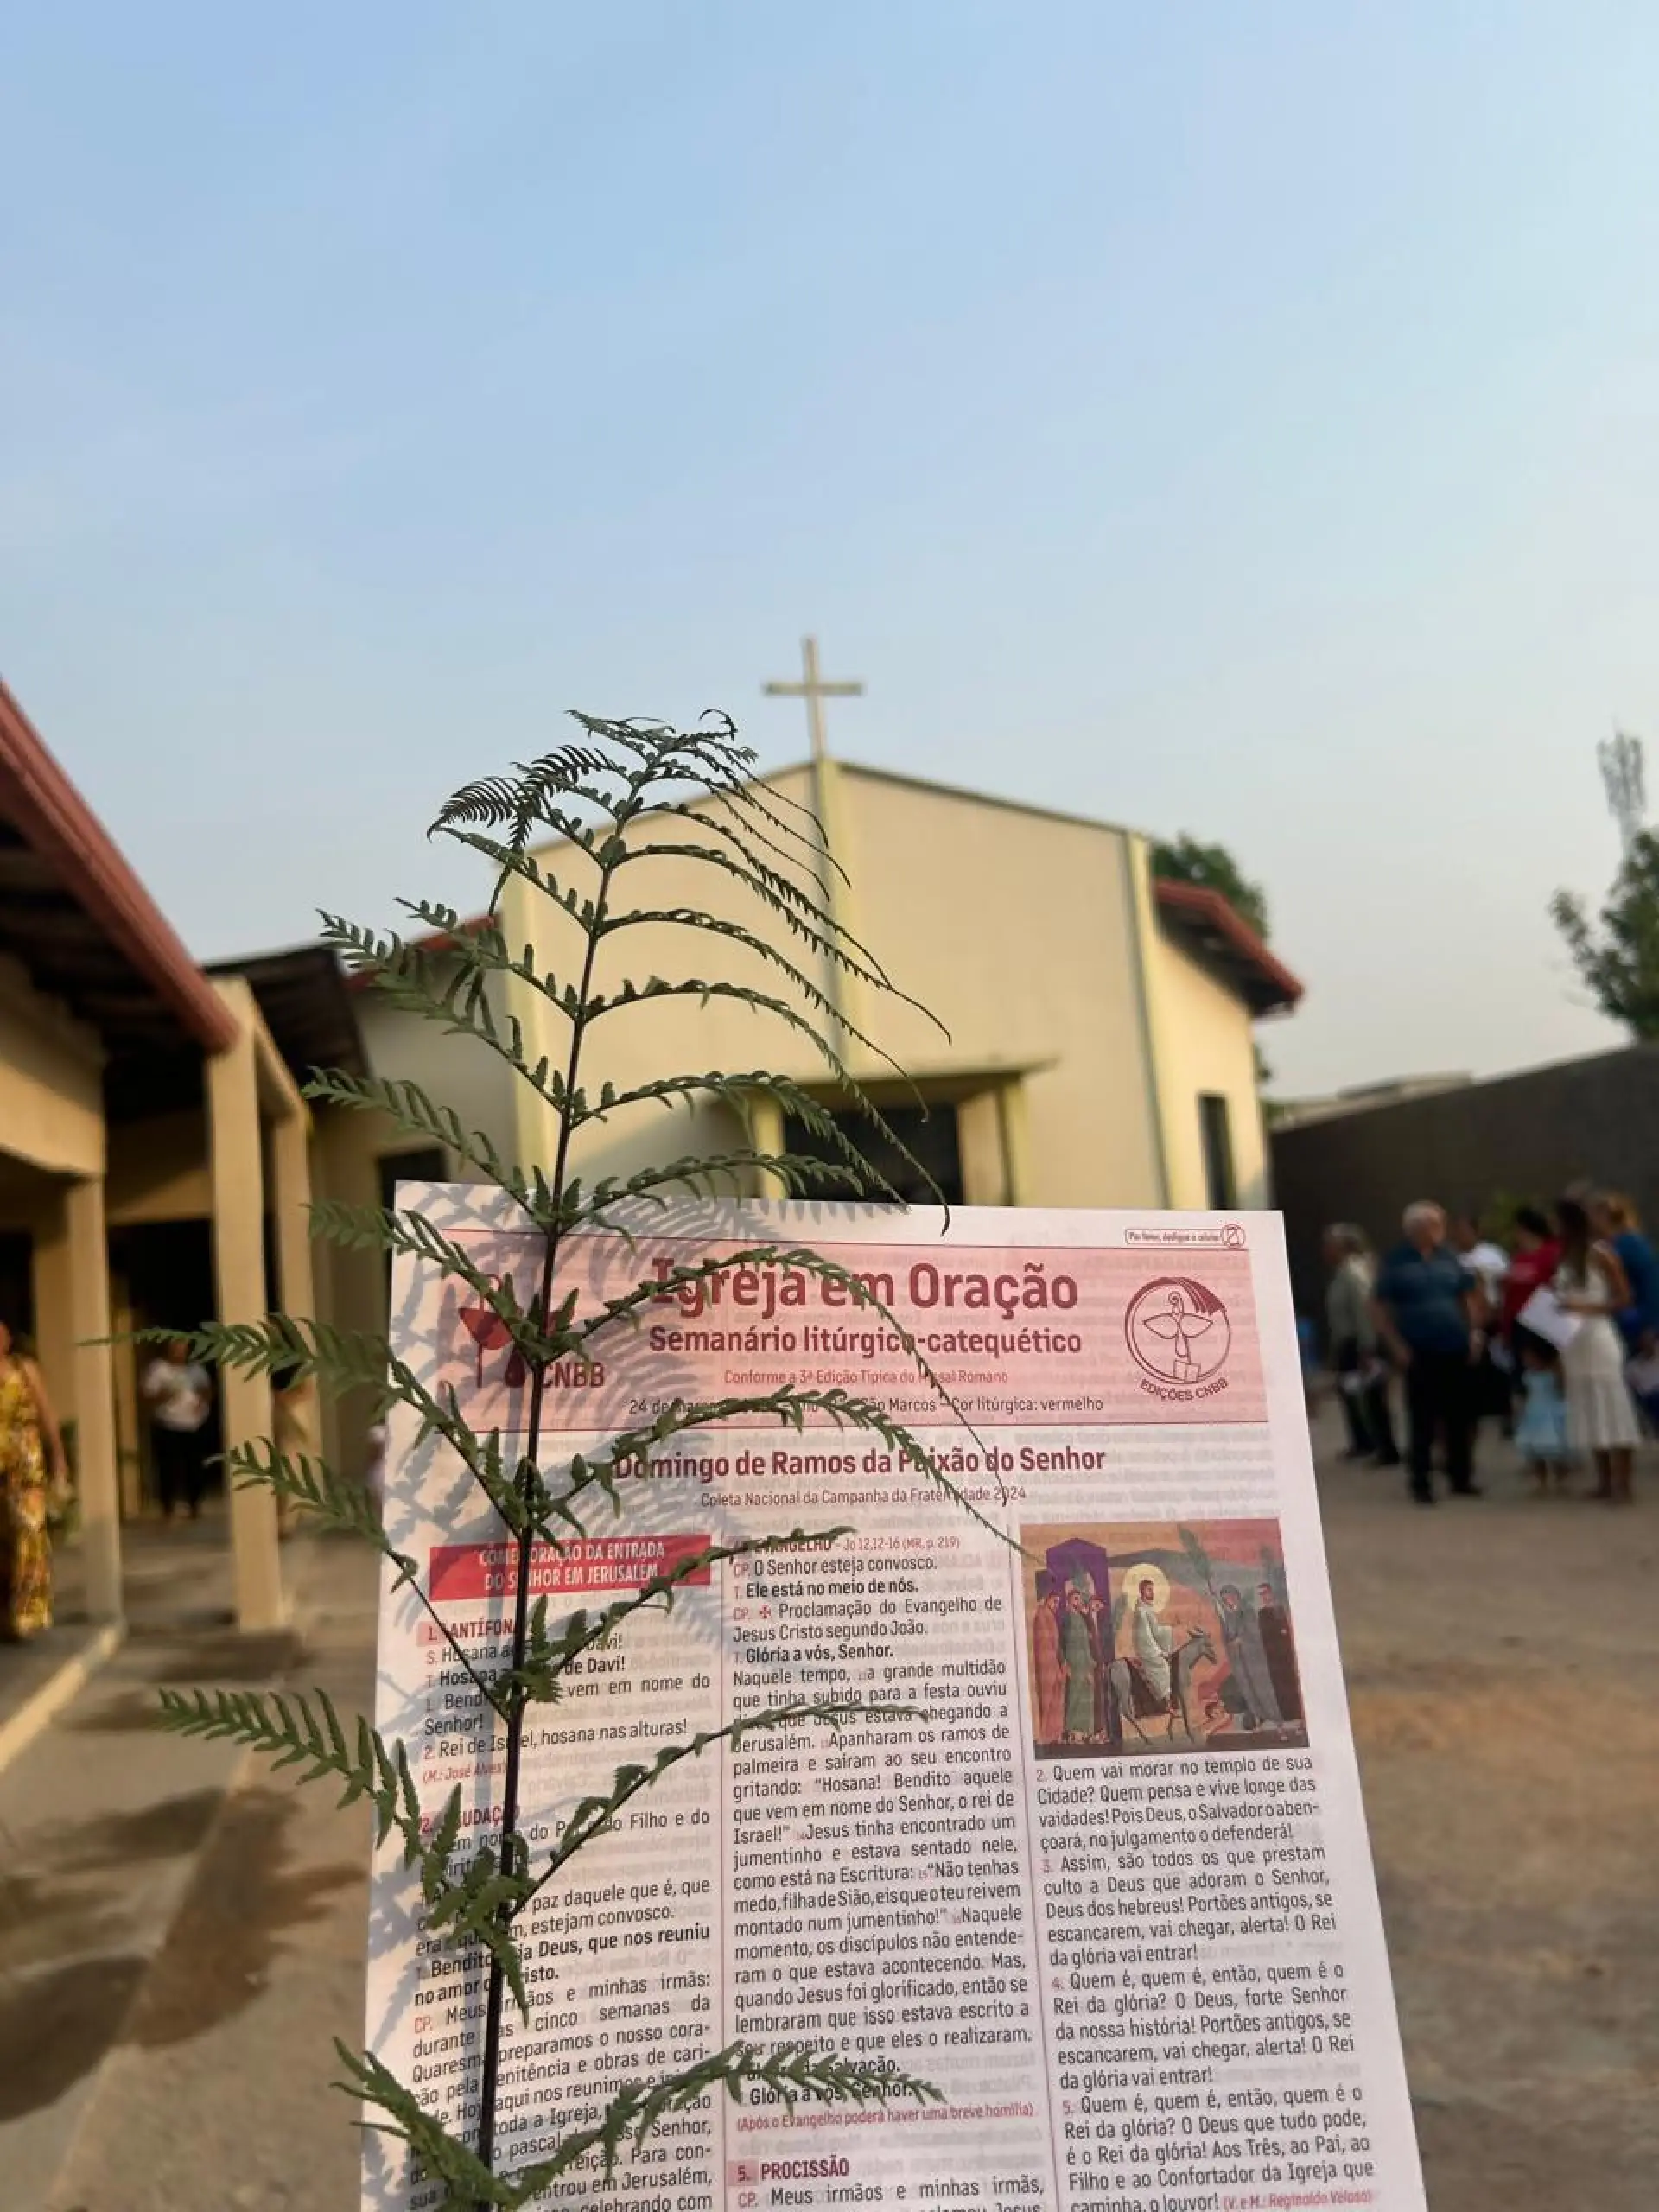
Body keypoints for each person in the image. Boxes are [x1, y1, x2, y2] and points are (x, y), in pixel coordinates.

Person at [1370, 1201, 1484, 1503]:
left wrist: (1474, 1332)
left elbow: (1467, 1296)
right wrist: (1395, 1346)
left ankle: (1461, 1477)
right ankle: (1421, 1481)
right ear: (1415, 1229)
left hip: (1454, 1344)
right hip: (1418, 1349)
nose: (1440, 1231)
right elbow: (1379, 1307)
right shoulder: (1396, 1262)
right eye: (1434, 1225)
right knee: (1422, 1417)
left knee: (1459, 1415)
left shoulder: (1450, 1258)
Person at [1553, 1196, 1640, 1503]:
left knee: (1612, 1406)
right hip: (1573, 1338)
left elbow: (1624, 1298)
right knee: (1589, 1407)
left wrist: (1586, 1307)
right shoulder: (1565, 1257)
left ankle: (1624, 1483)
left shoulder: (1602, 1254)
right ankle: (1603, 1480)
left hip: (1598, 1334)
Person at [0, 1321, 70, 1638]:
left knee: (29, 1532)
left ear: (8, 1338)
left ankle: (26, 1613)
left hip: (25, 1464)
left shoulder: (24, 1369)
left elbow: (46, 1414)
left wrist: (58, 1456)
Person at [1323, 1225, 1398, 1463]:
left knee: (1372, 1397)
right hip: (1346, 1343)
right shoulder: (1342, 1273)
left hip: (1359, 1343)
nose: (1325, 1251)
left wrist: (1368, 1347)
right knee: (1350, 1395)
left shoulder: (1353, 1274)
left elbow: (1363, 1311)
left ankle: (1385, 1448)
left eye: (1330, 1246)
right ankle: (1362, 1442)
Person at [141, 1337, 213, 1519]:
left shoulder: (196, 1369)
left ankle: (194, 1505)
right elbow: (147, 1396)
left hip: (192, 1424)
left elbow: (207, 1390)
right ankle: (168, 1507)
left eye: (183, 1348)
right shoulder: (158, 1369)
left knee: (194, 1466)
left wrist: (201, 1402)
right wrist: (163, 1395)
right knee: (167, 1467)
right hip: (167, 1423)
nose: (179, 1351)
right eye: (176, 1348)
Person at [1593, 1192, 1659, 1359]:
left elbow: (1651, 1285)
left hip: (1636, 1323)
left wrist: (1650, 1326)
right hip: (1619, 1322)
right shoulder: (1609, 1245)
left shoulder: (1630, 1245)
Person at [1501, 1206, 1562, 1363]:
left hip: (1543, 1327)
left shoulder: (1552, 1253)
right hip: (1518, 1325)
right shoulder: (1519, 1257)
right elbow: (1510, 1295)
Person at [1217, 1584, 1281, 1730]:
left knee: (1262, 1688)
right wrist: (1230, 1644)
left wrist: (1240, 1640)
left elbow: (1254, 1632)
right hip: (1239, 1660)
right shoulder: (1228, 1616)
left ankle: (1276, 1720)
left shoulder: (1247, 1611)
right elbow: (1225, 1638)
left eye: (1229, 1596)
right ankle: (1258, 1718)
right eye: (1225, 1598)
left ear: (1236, 1596)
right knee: (1248, 1691)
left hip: (1253, 1658)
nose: (1228, 1600)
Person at [1513, 1338, 1571, 1495]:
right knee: (1535, 1452)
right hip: (1533, 1414)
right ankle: (1541, 1480)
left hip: (1552, 1412)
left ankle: (1561, 1478)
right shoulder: (1529, 1374)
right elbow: (1525, 1394)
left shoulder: (1553, 1372)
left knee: (1557, 1450)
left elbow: (1563, 1389)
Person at [1255, 1580, 1302, 1725]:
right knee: (1278, 1684)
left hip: (1284, 1652)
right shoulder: (1261, 1613)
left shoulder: (1279, 1609)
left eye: (1265, 1593)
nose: (1264, 1596)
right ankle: (1284, 1715)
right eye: (1260, 1594)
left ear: (1271, 1593)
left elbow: (1285, 1630)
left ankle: (1296, 1714)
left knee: (1289, 1682)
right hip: (1271, 1654)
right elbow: (1264, 1634)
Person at [1129, 1575, 1175, 1711]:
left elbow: (1155, 1630)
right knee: (1163, 1667)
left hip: (1151, 1646)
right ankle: (1165, 1704)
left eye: (1152, 1590)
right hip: (1147, 1649)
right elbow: (1146, 1636)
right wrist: (1159, 1652)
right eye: (1149, 1590)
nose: (1152, 1593)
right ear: (1142, 1592)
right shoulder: (1141, 1612)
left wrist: (1168, 1629)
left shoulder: (1147, 1609)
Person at [1061, 1577, 1097, 1743]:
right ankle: (1070, 1731)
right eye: (1075, 1599)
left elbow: (1086, 1642)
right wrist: (1066, 1663)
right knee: (1074, 1696)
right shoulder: (1068, 1618)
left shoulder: (1080, 1618)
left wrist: (1090, 1664)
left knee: (1086, 1696)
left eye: (1079, 1599)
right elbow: (1063, 1642)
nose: (1078, 1601)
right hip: (1075, 1663)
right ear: (1069, 1601)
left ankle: (1083, 1731)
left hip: (1084, 1662)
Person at [1032, 1573, 1066, 1745]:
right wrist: (1056, 1668)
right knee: (1048, 1701)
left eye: (1058, 1603)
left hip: (1055, 1666)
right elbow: (1046, 1645)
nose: (1056, 1605)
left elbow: (1056, 1643)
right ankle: (1046, 1735)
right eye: (1055, 1602)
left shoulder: (1050, 1615)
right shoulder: (1042, 1615)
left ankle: (1054, 1734)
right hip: (1048, 1668)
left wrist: (1061, 1665)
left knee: (1056, 1702)